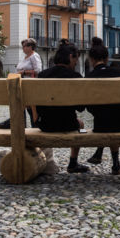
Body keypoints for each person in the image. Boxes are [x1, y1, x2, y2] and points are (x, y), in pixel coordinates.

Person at [30, 43, 88, 174]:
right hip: (68, 124)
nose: (76, 63)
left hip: (45, 125)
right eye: (75, 59)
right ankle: (73, 162)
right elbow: (81, 108)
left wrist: (35, 117)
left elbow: (34, 100)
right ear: (70, 57)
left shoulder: (43, 75)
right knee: (82, 125)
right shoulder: (75, 77)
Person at [83, 38, 120, 176]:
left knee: (104, 119)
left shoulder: (90, 77)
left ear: (91, 60)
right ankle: (115, 163)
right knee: (114, 116)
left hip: (101, 126)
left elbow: (86, 106)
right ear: (107, 58)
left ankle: (101, 155)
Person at [0, 38, 43, 129]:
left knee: (30, 107)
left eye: (24, 46)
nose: (23, 48)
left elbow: (38, 70)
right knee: (24, 106)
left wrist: (23, 72)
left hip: (30, 84)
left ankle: (32, 125)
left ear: (30, 47)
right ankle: (21, 124)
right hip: (22, 84)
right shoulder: (25, 57)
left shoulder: (34, 56)